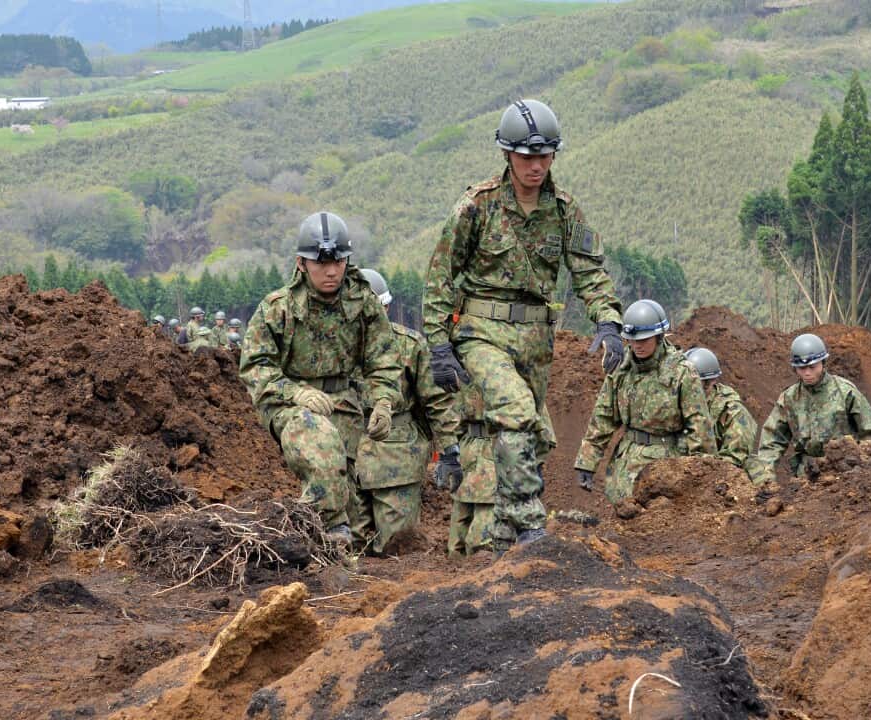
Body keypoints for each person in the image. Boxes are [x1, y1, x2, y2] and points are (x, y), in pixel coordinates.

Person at [422, 98, 623, 551]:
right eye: (527, 156)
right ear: (507, 155)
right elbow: (440, 277)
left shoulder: (565, 210)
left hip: (536, 339)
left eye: (544, 156)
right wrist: (438, 345)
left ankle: (500, 539)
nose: (536, 165)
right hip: (480, 332)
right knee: (514, 411)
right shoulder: (477, 206)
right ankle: (531, 523)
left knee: (526, 435)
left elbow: (589, 271)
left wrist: (608, 321)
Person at [239, 211, 401, 546]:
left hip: (345, 401)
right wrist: (294, 392)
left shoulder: (363, 303)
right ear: (301, 263)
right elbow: (256, 366)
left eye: (338, 262)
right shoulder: (277, 309)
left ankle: (336, 543)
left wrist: (384, 402)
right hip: (289, 406)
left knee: (354, 508)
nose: (331, 271)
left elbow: (383, 360)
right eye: (321, 263)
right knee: (322, 448)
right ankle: (324, 535)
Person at [350, 269, 461, 554]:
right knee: (347, 549)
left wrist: (450, 450)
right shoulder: (334, 346)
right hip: (345, 457)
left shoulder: (410, 345)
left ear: (385, 307)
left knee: (398, 549)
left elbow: (436, 402)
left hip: (396, 460)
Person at [573, 300, 715, 504]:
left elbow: (699, 428)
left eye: (644, 339)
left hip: (667, 467)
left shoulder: (682, 373)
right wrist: (587, 462)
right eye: (632, 340)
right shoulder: (621, 370)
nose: (637, 345)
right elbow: (603, 417)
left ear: (658, 337)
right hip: (625, 466)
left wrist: (703, 478)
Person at [757, 333, 871, 477]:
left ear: (823, 363)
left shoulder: (845, 392)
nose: (807, 373)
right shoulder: (789, 399)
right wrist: (765, 476)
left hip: (845, 474)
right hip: (807, 476)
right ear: (795, 368)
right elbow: (772, 440)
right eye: (802, 368)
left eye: (812, 367)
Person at [683, 347, 767, 483]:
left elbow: (735, 456)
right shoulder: (679, 405)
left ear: (710, 382)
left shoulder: (732, 410)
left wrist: (700, 468)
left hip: (725, 473)